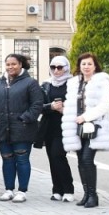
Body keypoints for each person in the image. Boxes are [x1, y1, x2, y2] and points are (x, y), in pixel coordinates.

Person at [61, 52, 109, 208]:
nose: (86, 67)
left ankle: (93, 195)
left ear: (95, 65)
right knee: (80, 160)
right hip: (76, 126)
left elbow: (105, 104)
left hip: (94, 125)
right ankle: (86, 194)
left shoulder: (102, 81)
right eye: (83, 64)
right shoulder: (73, 83)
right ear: (79, 66)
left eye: (89, 64)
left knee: (86, 159)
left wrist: (86, 116)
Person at [0, 54, 44, 202]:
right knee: (7, 160)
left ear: (21, 65)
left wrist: (24, 118)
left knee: (22, 159)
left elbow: (37, 105)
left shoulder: (30, 83)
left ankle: (22, 191)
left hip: (23, 129)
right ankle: (8, 189)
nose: (10, 67)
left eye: (14, 64)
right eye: (8, 64)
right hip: (2, 128)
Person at [33, 55, 74, 201]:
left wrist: (65, 109)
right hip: (48, 126)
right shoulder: (46, 84)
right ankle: (57, 190)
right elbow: (38, 106)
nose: (56, 71)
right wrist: (51, 106)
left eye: (60, 67)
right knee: (52, 158)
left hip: (65, 127)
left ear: (66, 68)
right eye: (53, 67)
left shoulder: (72, 84)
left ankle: (68, 189)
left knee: (58, 156)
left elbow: (79, 105)